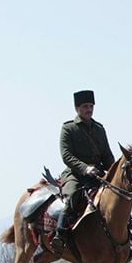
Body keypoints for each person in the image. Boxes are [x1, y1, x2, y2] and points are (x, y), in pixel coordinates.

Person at [52, 89, 114, 252]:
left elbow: (107, 154)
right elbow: (66, 155)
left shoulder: (99, 129)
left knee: (117, 196)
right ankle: (60, 235)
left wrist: (112, 173)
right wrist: (85, 168)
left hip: (98, 174)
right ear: (77, 108)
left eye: (91, 106)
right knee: (72, 195)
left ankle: (127, 240)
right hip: (75, 173)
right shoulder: (69, 128)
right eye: (85, 106)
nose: (89, 109)